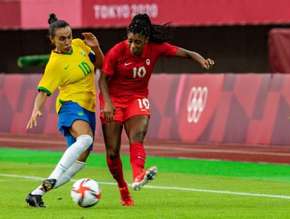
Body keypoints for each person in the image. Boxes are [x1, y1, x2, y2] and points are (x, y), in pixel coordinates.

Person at [99, 13, 215, 206]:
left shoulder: (156, 48)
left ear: (146, 39)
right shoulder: (117, 51)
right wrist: (107, 104)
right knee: (112, 152)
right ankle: (123, 189)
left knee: (138, 136)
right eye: (131, 41)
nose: (134, 45)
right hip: (113, 101)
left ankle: (138, 175)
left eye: (138, 42)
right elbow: (102, 79)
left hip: (137, 98)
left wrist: (200, 59)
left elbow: (185, 52)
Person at [25, 13, 104, 207]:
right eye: (62, 38)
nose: (67, 41)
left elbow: (100, 64)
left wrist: (96, 47)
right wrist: (36, 110)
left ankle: (36, 194)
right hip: (70, 105)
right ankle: (53, 176)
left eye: (69, 36)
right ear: (52, 40)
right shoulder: (55, 64)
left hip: (89, 108)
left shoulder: (78, 45)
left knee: (77, 164)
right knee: (85, 139)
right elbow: (43, 91)